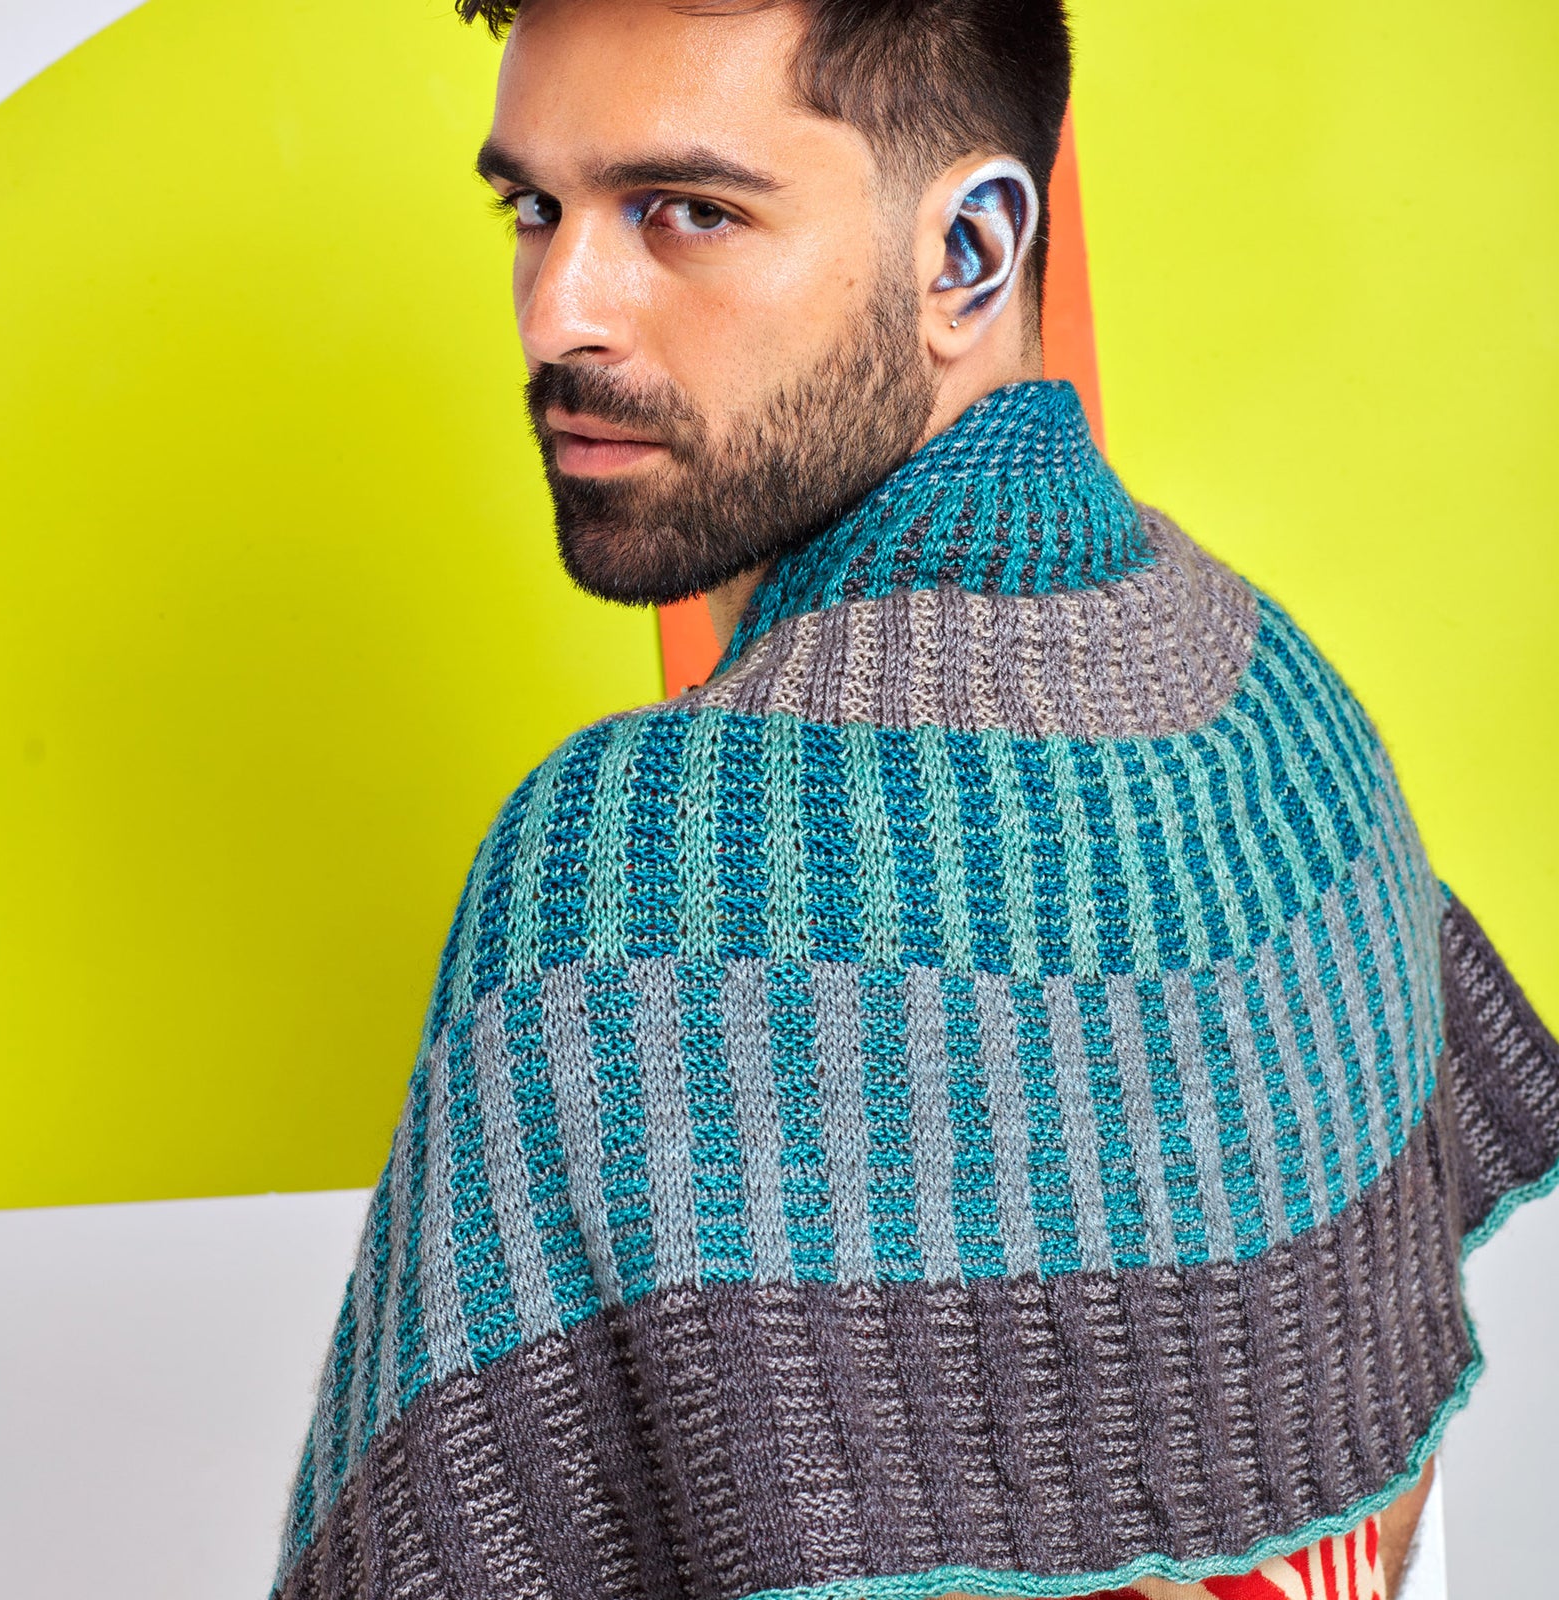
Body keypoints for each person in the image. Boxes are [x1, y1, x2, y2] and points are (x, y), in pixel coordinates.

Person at [270, 3, 1559, 1598]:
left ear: (969, 252)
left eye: (685, 211)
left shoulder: (634, 855)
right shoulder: (1273, 688)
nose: (559, 312)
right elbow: (1375, 1464)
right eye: (534, 207)